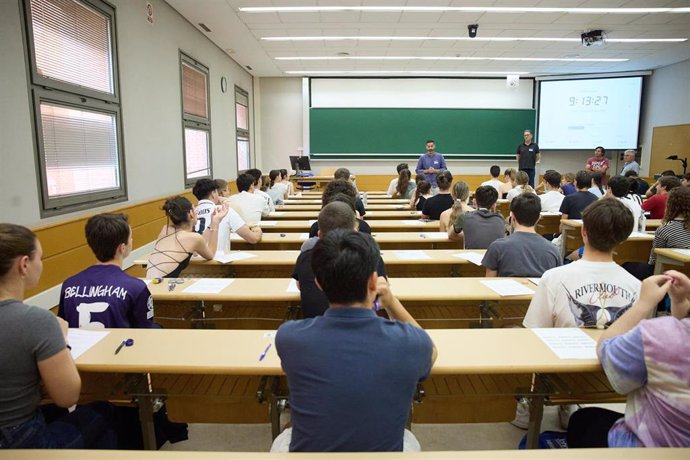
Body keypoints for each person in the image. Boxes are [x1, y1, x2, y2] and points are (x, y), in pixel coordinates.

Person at [273, 229, 437, 452]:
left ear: (319, 283)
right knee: (409, 441)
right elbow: (431, 349)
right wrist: (390, 302)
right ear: (373, 281)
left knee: (283, 438)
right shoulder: (410, 342)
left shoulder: (289, 337)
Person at [518, 199, 641, 430]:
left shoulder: (553, 277)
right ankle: (569, 405)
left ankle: (532, 407)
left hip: (562, 369)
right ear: (624, 238)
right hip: (613, 374)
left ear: (584, 232)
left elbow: (534, 334)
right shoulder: (638, 287)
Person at [0, 223, 116, 449]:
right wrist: (61, 339)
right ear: (24, 265)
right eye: (39, 258)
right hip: (20, 438)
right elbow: (68, 396)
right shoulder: (36, 321)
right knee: (103, 411)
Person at [567, 271, 690, 448]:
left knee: (583, 421)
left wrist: (643, 304)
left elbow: (607, 352)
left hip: (652, 447)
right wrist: (681, 303)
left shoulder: (660, 334)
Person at [59, 214, 154, 329]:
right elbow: (146, 332)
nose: (132, 240)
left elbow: (63, 328)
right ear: (122, 248)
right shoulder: (136, 288)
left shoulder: (69, 285)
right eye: (131, 237)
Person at [294, 202, 387, 318]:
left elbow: (300, 286)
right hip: (364, 327)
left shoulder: (305, 257)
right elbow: (381, 293)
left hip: (315, 328)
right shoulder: (372, 258)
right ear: (355, 232)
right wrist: (391, 303)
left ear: (319, 235)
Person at [146, 196, 228, 278]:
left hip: (150, 282)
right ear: (191, 213)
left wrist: (211, 224)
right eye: (195, 210)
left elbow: (196, 246)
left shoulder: (165, 229)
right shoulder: (193, 238)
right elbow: (210, 254)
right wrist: (216, 222)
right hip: (161, 284)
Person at [483, 194, 561, 277]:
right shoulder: (553, 250)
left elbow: (489, 280)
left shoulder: (497, 247)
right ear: (538, 218)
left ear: (512, 217)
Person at [624, 186, 690, 280]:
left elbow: (654, 260)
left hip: (665, 274)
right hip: (685, 273)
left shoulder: (666, 229)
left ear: (671, 204)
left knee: (627, 266)